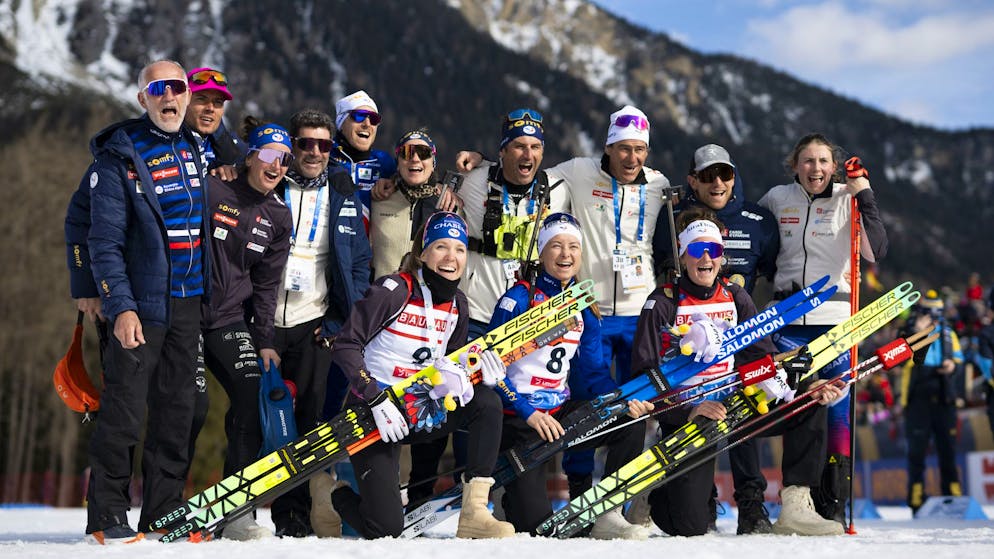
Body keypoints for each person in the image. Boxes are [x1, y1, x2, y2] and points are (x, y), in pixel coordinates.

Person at [632, 211, 845, 537]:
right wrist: (689, 409)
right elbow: (645, 377)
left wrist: (806, 382)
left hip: (736, 403)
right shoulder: (662, 302)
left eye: (714, 251)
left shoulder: (735, 296)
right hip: (691, 415)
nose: (706, 258)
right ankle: (653, 488)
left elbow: (763, 357)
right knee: (690, 525)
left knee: (807, 401)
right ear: (683, 254)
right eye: (697, 250)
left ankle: (796, 502)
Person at [80, 60, 209, 544]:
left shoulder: (197, 149)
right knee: (125, 412)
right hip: (141, 305)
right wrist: (121, 306)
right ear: (143, 99)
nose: (169, 96)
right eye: (158, 89)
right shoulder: (120, 157)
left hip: (189, 303)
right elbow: (104, 241)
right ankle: (108, 514)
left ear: (187, 94)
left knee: (178, 413)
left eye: (177, 87)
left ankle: (164, 510)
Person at [328, 212, 515, 539]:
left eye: (459, 249)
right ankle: (328, 492)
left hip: (415, 410)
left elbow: (452, 365)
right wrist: (373, 397)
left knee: (486, 402)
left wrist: (472, 377)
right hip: (372, 412)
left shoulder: (458, 303)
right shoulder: (394, 290)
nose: (451, 257)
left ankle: (474, 513)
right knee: (384, 529)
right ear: (422, 253)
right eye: (441, 247)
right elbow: (345, 344)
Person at [490, 212, 653, 538]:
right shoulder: (518, 298)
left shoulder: (582, 303)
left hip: (559, 415)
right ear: (541, 252)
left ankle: (608, 512)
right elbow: (492, 371)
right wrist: (528, 412)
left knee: (629, 422)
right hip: (521, 419)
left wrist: (623, 401)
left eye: (573, 247)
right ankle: (506, 498)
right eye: (556, 246)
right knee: (537, 529)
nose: (566, 255)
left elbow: (593, 372)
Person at [758, 133, 888, 526]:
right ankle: (798, 499)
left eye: (823, 162)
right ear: (795, 164)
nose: (815, 168)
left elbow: (875, 251)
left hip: (835, 321)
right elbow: (759, 243)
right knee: (797, 410)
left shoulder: (847, 198)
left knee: (835, 413)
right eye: (808, 161)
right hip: (788, 322)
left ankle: (832, 501)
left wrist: (863, 192)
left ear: (834, 166)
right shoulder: (777, 199)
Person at [651, 143, 780, 534]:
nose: (718, 182)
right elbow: (662, 267)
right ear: (693, 180)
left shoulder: (758, 218)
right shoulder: (672, 217)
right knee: (700, 409)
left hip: (738, 326)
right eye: (708, 176)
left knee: (744, 409)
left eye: (724, 173)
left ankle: (752, 503)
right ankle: (693, 493)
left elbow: (775, 268)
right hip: (689, 336)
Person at [270, 108, 371, 538]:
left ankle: (295, 515)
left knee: (310, 421)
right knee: (253, 413)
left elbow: (359, 261)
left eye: (323, 145)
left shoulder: (343, 191)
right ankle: (237, 514)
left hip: (314, 320)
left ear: (333, 151)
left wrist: (336, 322)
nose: (313, 152)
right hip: (265, 318)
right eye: (305, 143)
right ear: (291, 146)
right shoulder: (269, 184)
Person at [200, 119, 294, 540]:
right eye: (271, 155)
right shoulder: (213, 187)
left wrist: (266, 341)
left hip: (229, 321)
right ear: (251, 156)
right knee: (186, 409)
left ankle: (236, 511)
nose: (278, 166)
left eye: (285, 160)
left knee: (251, 396)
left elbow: (267, 285)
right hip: (184, 315)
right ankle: (161, 508)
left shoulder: (278, 215)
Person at [898, 291, 964, 514]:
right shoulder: (909, 331)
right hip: (918, 398)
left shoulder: (949, 333)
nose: (933, 318)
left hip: (944, 394)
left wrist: (953, 366)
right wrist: (917, 331)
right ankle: (916, 498)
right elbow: (902, 360)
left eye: (937, 313)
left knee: (948, 448)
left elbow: (959, 360)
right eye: (929, 313)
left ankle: (952, 495)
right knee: (916, 451)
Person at [368, 129, 443, 278]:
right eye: (407, 153)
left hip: (427, 299)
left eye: (423, 153)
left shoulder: (447, 204)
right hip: (382, 297)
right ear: (398, 163)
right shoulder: (378, 198)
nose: (415, 159)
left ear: (433, 163)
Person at [331, 90, 397, 231]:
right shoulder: (323, 154)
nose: (367, 123)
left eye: (374, 119)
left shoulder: (384, 162)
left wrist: (440, 187)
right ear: (341, 122)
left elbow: (417, 178)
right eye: (359, 116)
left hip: (366, 251)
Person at [182, 66, 246, 171]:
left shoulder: (237, 150)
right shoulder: (159, 145)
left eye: (218, 102)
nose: (210, 108)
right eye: (201, 99)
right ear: (184, 101)